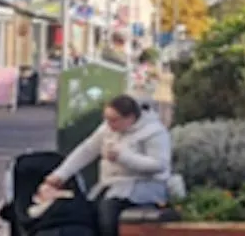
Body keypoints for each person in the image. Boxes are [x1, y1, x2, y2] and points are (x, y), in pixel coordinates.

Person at [44, 95, 173, 236]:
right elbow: (86, 151)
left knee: (108, 211)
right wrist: (61, 174)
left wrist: (124, 157)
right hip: (111, 184)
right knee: (87, 210)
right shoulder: (107, 129)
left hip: (143, 185)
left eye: (114, 120)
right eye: (107, 119)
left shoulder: (154, 132)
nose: (109, 124)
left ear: (130, 117)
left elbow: (159, 165)